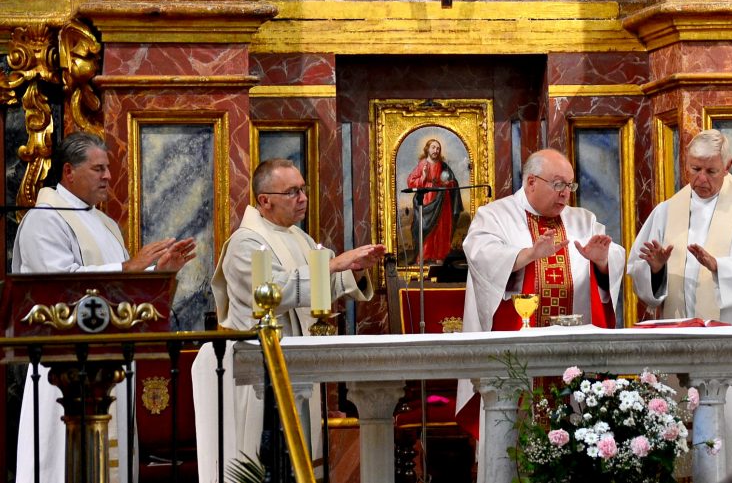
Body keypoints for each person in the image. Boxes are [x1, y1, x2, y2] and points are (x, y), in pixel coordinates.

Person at [12, 131, 197, 483]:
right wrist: (129, 267)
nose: (108, 177)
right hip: (64, 375)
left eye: (107, 169)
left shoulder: (105, 223)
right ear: (68, 172)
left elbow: (122, 296)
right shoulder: (44, 220)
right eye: (98, 169)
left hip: (110, 369)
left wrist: (162, 273)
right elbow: (56, 291)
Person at [202, 158, 385, 481]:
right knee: (265, 459)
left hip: (298, 363)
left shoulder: (297, 237)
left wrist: (353, 270)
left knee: (299, 455)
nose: (302, 198)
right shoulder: (246, 243)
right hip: (260, 369)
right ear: (264, 200)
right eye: (292, 192)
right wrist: (332, 265)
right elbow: (272, 292)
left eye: (303, 189)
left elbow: (320, 286)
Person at [628, 128, 732, 475]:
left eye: (711, 171)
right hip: (680, 343)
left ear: (727, 166)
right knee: (679, 435)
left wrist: (721, 268)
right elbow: (639, 269)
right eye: (694, 169)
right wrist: (655, 271)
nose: (701, 179)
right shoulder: (668, 211)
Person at [455, 149, 626, 430]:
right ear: (531, 182)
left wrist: (602, 260)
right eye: (558, 184)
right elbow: (481, 257)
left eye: (570, 185)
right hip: (516, 356)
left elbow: (614, 257)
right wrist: (527, 255)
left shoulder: (583, 220)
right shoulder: (495, 216)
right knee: (516, 435)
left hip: (571, 356)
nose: (565, 193)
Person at [406, 138, 464, 262]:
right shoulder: (422, 164)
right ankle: (424, 257)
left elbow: (453, 182)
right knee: (425, 227)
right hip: (427, 199)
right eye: (433, 147)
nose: (436, 150)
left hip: (443, 200)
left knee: (442, 228)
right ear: (428, 149)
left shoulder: (443, 165)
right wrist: (423, 177)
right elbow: (411, 182)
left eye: (438, 148)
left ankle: (440, 257)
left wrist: (448, 183)